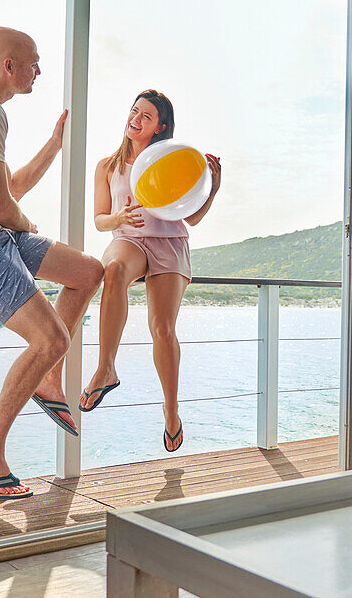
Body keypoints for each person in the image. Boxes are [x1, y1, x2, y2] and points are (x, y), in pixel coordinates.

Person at [0, 27, 104, 498]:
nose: (40, 70)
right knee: (50, 337)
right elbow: (1, 204)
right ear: (8, 65)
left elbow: (6, 187)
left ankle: (50, 376)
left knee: (89, 272)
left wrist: (54, 147)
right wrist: (26, 224)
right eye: (34, 62)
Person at [78, 90, 221, 452]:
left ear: (161, 127)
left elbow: (191, 217)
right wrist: (118, 218)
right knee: (112, 268)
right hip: (130, 237)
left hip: (170, 243)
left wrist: (213, 187)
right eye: (134, 111)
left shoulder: (172, 160)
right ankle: (105, 369)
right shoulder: (107, 166)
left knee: (162, 327)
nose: (135, 119)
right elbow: (99, 219)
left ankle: (171, 411)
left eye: (146, 116)